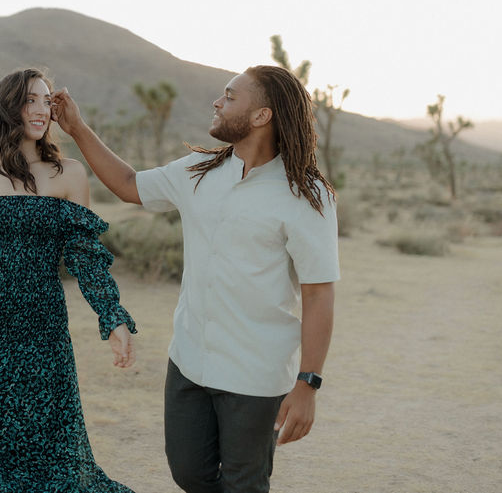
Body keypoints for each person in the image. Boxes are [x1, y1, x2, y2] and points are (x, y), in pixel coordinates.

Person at [51, 65, 339, 493]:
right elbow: (130, 184)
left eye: (230, 96)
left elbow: (318, 294)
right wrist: (76, 128)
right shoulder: (199, 170)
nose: (217, 102)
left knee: (244, 484)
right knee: (189, 473)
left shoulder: (306, 196)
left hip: (255, 375)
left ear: (262, 116)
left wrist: (308, 384)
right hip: (189, 361)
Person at [0, 67, 138, 493]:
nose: (40, 109)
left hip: (43, 335)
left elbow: (86, 258)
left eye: (46, 100)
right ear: (7, 106)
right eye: (30, 99)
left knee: (58, 459)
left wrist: (113, 317)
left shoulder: (69, 174)